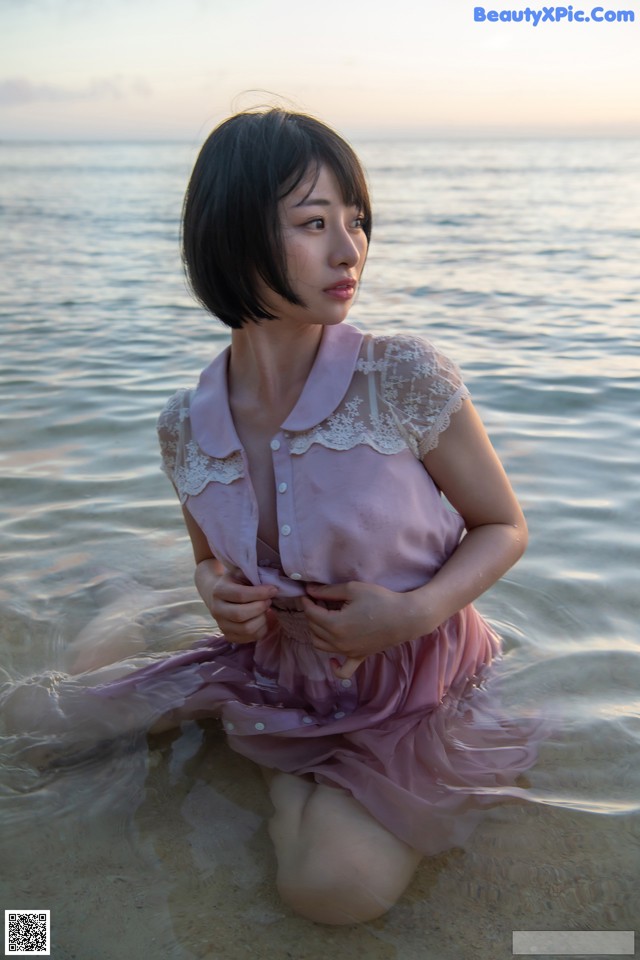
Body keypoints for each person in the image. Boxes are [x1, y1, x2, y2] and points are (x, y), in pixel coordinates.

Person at [90, 108, 537, 924]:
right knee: (38, 725)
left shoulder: (400, 376)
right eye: (313, 223)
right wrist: (211, 593)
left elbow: (503, 525)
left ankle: (278, 763)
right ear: (232, 238)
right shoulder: (183, 423)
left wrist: (413, 612)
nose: (350, 249)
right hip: (274, 666)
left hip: (417, 678)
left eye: (356, 221)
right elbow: (210, 563)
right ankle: (242, 714)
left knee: (331, 890)